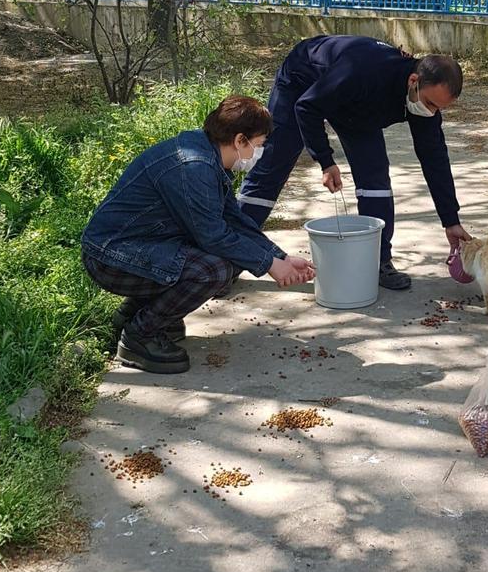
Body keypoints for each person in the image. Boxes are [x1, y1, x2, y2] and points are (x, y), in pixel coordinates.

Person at [81, 95, 315, 374]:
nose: (258, 153)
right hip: (110, 256)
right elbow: (214, 237)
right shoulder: (194, 167)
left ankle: (134, 314)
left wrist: (279, 257)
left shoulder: (205, 153)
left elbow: (233, 220)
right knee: (213, 270)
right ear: (240, 140)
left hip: (136, 247)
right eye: (259, 145)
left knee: (234, 257)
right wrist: (270, 266)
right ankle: (139, 336)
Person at [237, 35, 470, 290]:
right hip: (303, 81)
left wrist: (451, 220)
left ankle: (378, 261)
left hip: (356, 108)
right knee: (273, 166)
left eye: (440, 108)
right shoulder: (363, 71)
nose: (432, 112)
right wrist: (325, 161)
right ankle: (233, 252)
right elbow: (306, 107)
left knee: (375, 176)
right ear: (414, 81)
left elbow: (434, 158)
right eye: (430, 104)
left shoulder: (422, 100)